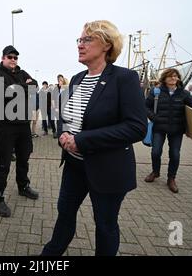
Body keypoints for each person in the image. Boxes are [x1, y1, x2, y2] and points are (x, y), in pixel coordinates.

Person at [41, 20, 147, 256]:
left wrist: (82, 140)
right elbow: (66, 116)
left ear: (107, 45)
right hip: (74, 165)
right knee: (64, 214)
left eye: (87, 39)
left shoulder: (125, 78)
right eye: (79, 40)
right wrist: (63, 134)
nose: (80, 44)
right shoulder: (77, 78)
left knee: (105, 225)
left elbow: (136, 127)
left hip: (108, 169)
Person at [0, 45, 39, 217]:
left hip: (23, 125)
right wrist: (22, 88)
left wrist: (16, 88)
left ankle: (23, 186)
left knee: (24, 158)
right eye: (10, 57)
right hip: (5, 127)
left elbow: (35, 86)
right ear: (3, 58)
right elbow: (3, 93)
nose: (13, 60)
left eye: (15, 57)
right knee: (2, 163)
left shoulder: (23, 73)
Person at [144, 68, 192, 193]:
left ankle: (171, 178)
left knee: (175, 154)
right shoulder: (156, 91)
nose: (173, 78)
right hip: (159, 127)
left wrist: (189, 127)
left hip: (177, 129)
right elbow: (146, 106)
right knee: (155, 152)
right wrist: (154, 117)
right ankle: (155, 172)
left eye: (175, 76)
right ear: (164, 78)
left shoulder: (184, 93)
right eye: (170, 76)